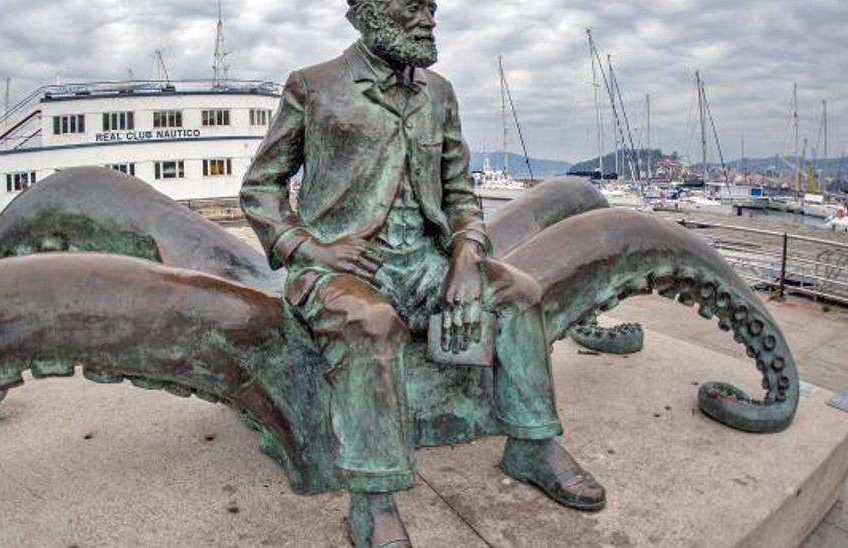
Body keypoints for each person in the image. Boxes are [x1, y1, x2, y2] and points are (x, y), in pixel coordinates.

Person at [240, 1, 605, 545]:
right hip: (343, 267)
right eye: (411, 6)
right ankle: (374, 497)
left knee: (518, 294)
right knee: (370, 323)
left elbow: (461, 194)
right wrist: (308, 248)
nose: (427, 17)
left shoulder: (440, 93)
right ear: (367, 13)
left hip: (426, 262)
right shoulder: (313, 86)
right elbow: (260, 187)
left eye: (430, 7)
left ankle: (532, 443)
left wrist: (465, 258)